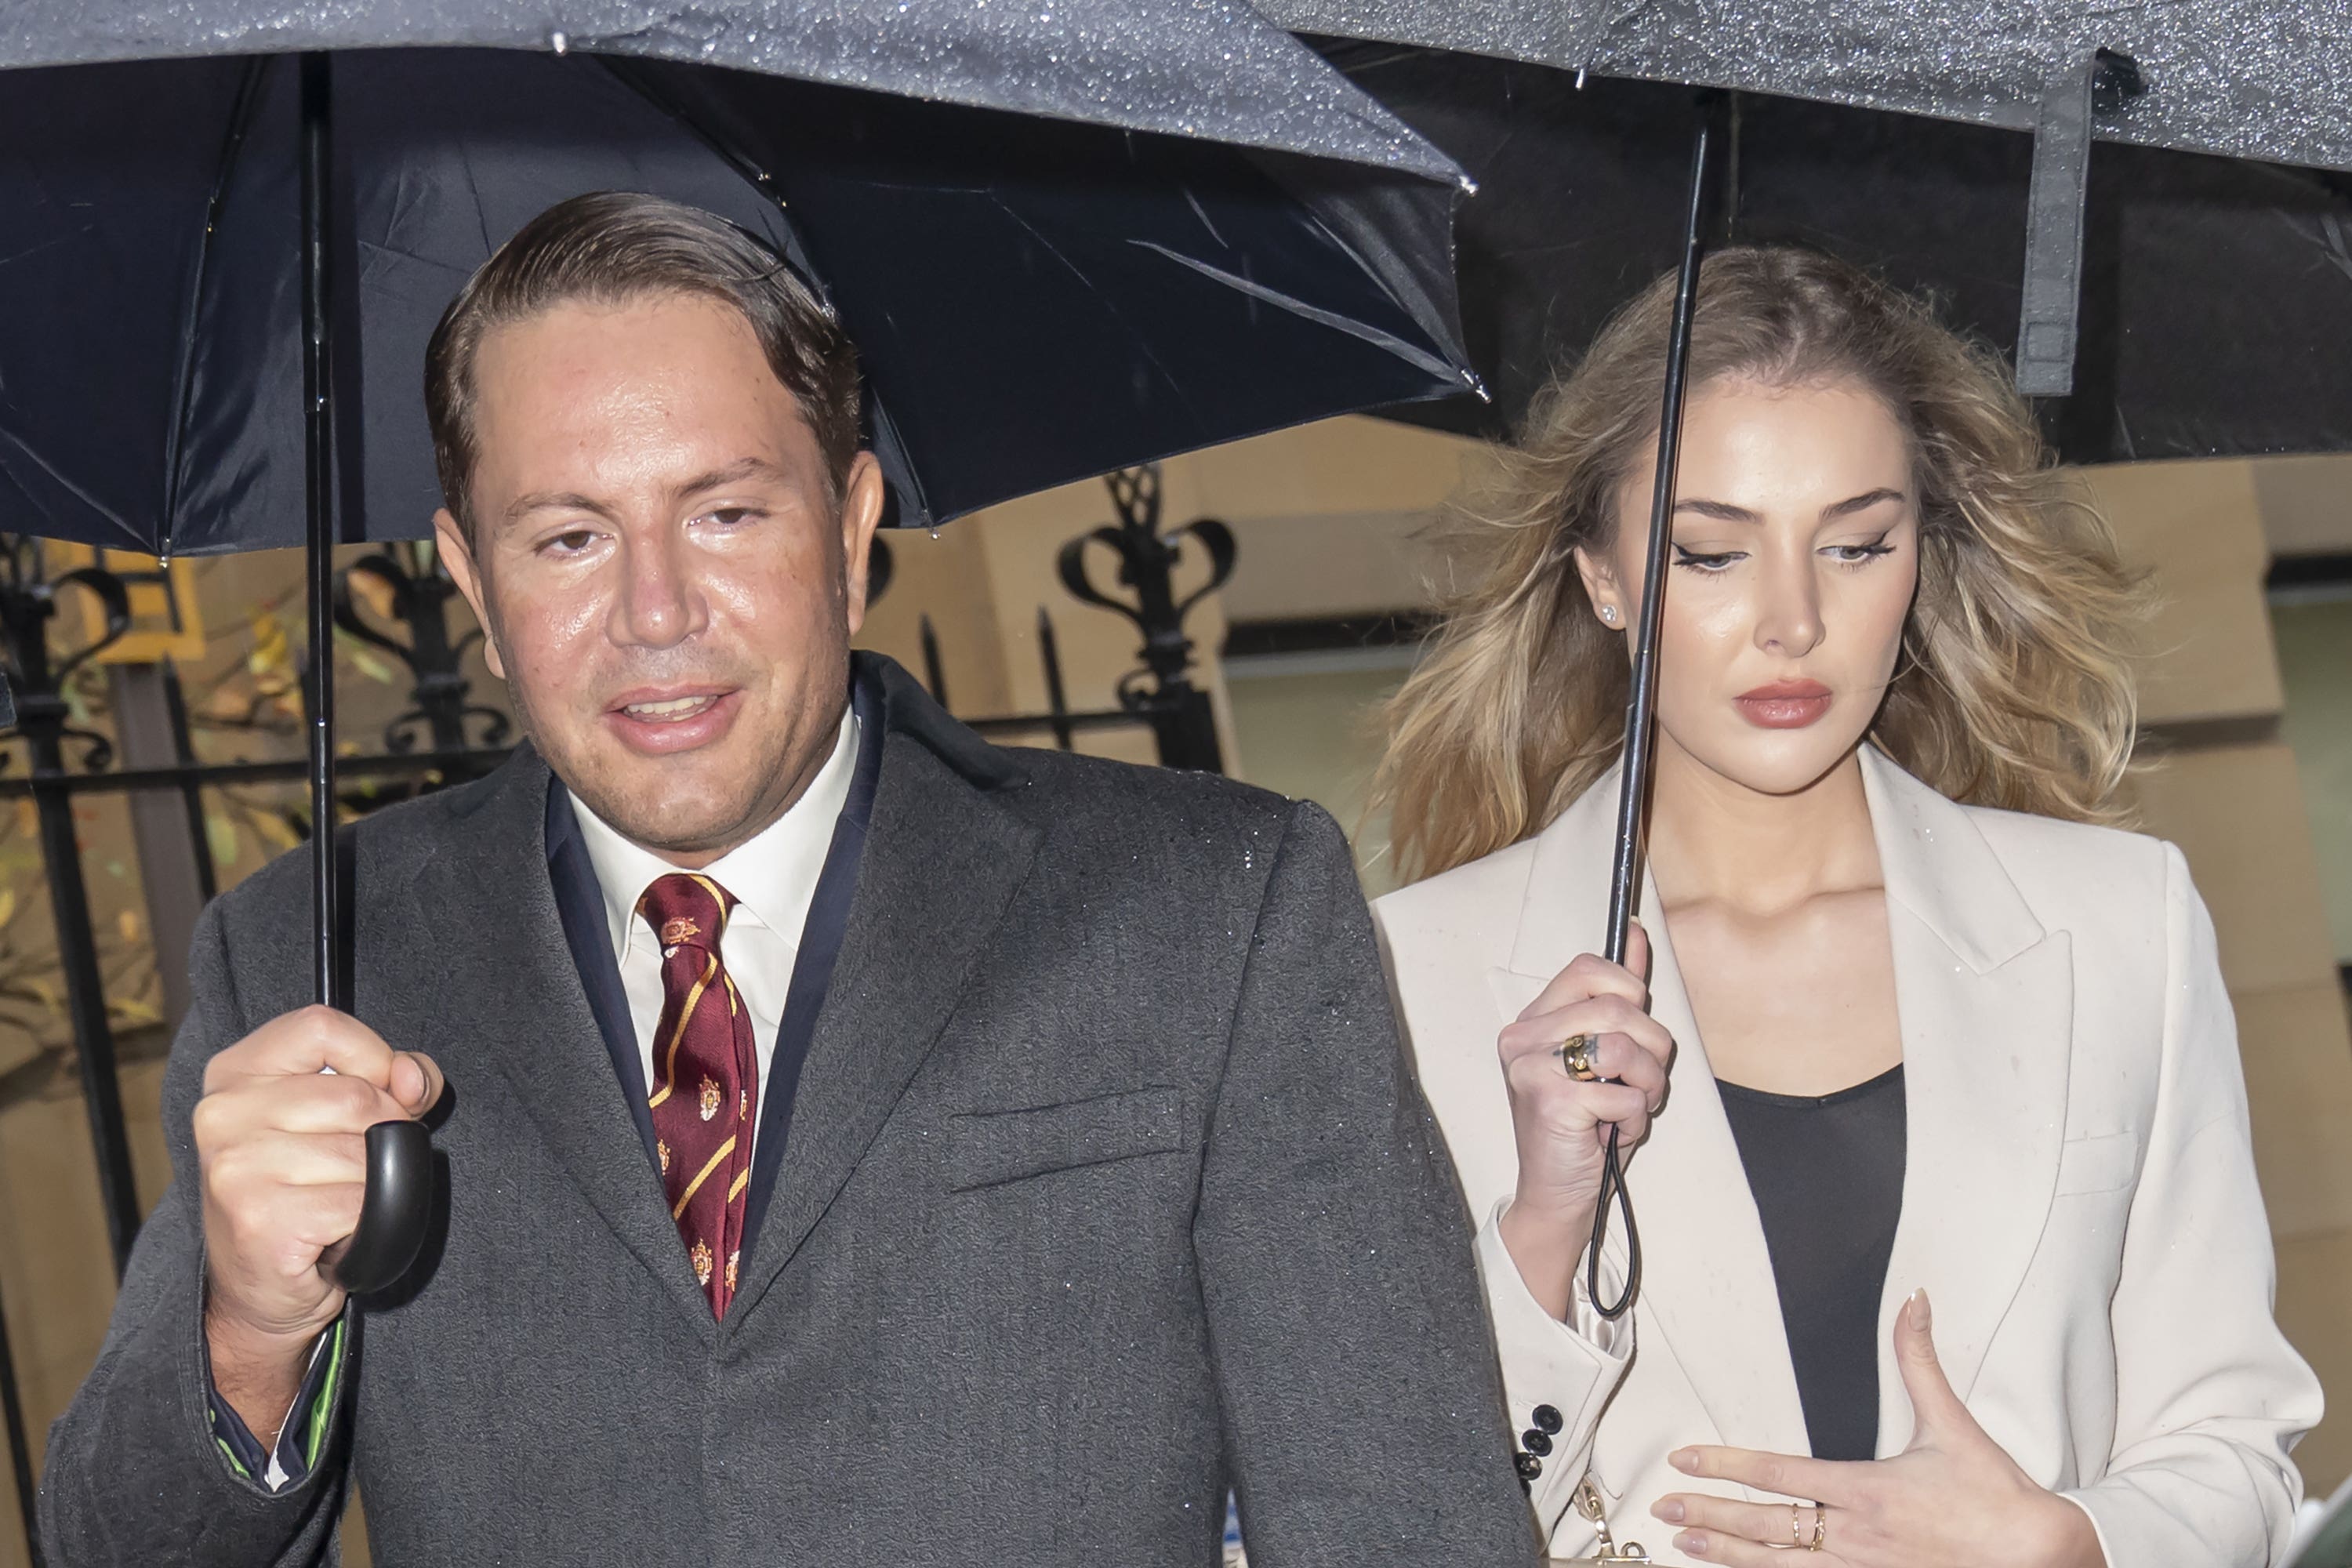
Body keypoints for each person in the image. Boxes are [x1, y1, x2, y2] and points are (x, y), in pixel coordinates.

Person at [40, 192, 1535, 1566]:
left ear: (855, 527)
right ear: (470, 585)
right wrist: (249, 1334)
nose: (655, 610)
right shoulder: (306, 964)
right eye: (567, 538)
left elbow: (1401, 1523)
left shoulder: (1217, 907)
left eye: (726, 512)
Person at [1367, 248, 2322, 1567]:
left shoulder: (2118, 927)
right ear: (1601, 579)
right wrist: (1542, 1229)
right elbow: (1373, 1508)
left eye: (1858, 543)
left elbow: (2239, 1453)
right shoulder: (1411, 975)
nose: (1793, 622)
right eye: (1709, 553)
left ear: (1921, 555)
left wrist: (2068, 1546)